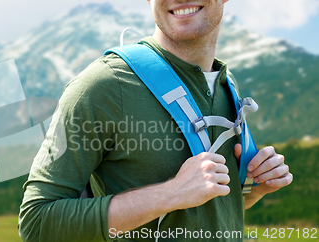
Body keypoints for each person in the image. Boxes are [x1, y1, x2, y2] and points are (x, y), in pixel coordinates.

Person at [18, 0, 293, 241]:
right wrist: (170, 193)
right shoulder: (105, 86)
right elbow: (37, 222)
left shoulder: (225, 85)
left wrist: (253, 190)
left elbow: (198, 215)